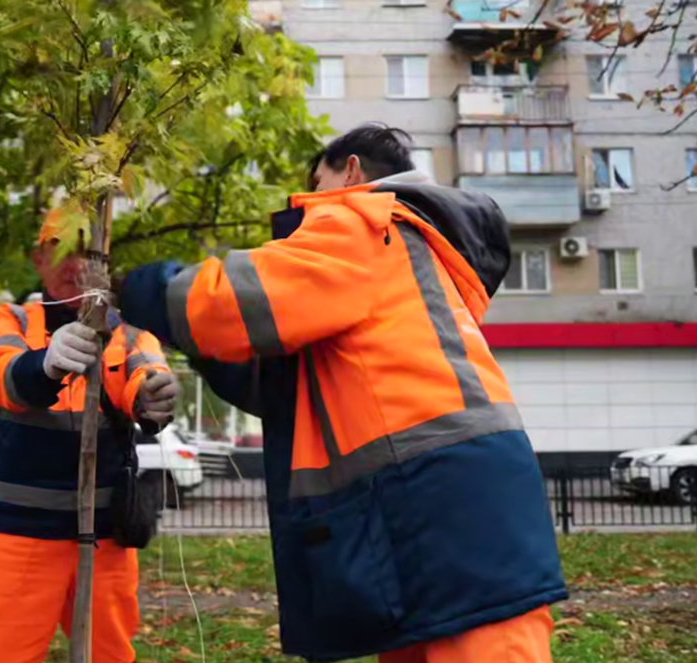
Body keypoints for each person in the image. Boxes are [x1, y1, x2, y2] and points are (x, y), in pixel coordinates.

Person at [116, 124, 567, 663]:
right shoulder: (410, 250)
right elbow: (287, 385)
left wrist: (139, 288)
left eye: (316, 181)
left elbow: (233, 300)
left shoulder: (364, 221)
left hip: (439, 503)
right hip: (445, 502)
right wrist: (209, 349)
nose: (304, 207)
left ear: (350, 172)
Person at [0, 209, 181, 663]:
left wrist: (154, 397)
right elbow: (4, 378)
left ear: (103, 263)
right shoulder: (12, 321)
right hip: (17, 538)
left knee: (108, 655)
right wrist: (46, 364)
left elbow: (144, 377)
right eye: (60, 250)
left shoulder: (130, 335)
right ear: (38, 258)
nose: (74, 264)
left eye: (86, 252)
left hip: (104, 540)